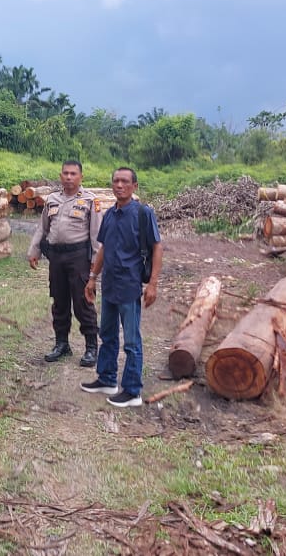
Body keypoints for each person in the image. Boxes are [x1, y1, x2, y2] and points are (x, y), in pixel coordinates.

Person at [81, 167, 163, 408]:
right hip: (110, 284)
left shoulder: (142, 213)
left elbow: (157, 247)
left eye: (125, 181)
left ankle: (132, 391)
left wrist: (153, 284)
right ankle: (107, 379)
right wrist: (93, 277)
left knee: (131, 341)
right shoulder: (110, 214)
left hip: (130, 285)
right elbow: (104, 248)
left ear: (134, 186)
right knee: (106, 334)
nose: (119, 185)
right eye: (116, 181)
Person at [27, 160, 103, 366]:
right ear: (60, 176)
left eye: (73, 174)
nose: (69, 177)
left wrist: (95, 265)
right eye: (65, 173)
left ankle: (91, 347)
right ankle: (61, 344)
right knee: (59, 301)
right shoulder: (52, 199)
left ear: (81, 177)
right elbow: (43, 228)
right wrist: (34, 250)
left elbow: (97, 235)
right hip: (56, 258)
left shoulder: (90, 200)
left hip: (79, 257)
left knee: (83, 302)